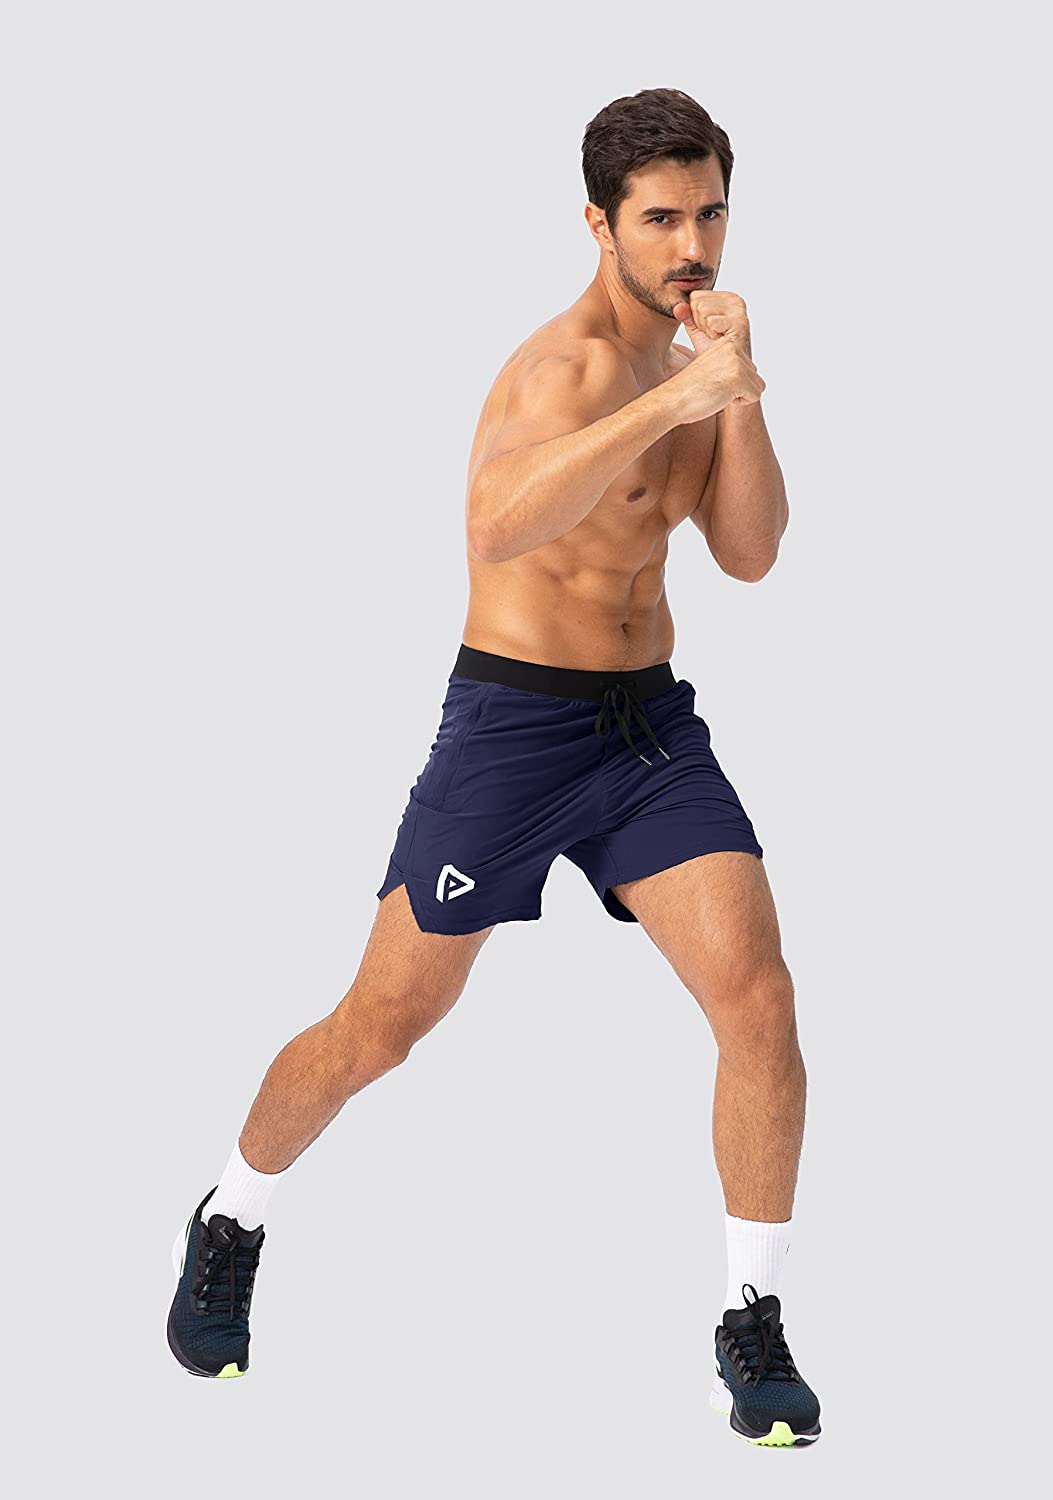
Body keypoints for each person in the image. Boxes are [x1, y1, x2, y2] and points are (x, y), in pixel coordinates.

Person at [167, 85, 821, 1448]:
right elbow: (497, 522)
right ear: (598, 224)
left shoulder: (702, 359)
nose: (692, 244)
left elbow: (751, 555)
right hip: (514, 729)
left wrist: (737, 389)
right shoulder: (560, 370)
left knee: (756, 1001)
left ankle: (749, 1315)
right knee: (382, 1028)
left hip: (646, 733)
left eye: (710, 214)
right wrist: (676, 397)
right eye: (661, 219)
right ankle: (233, 1210)